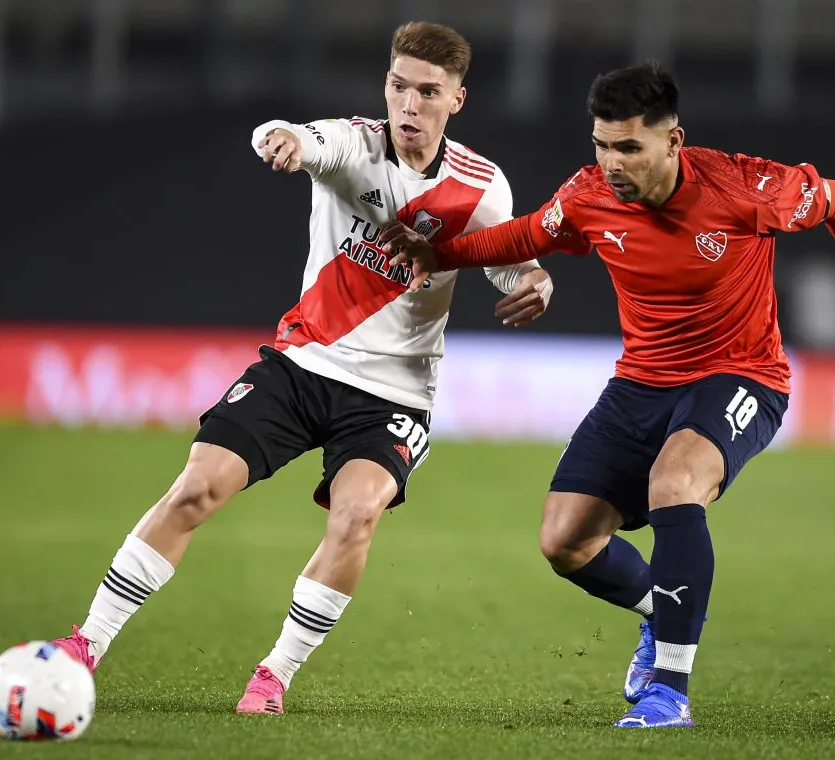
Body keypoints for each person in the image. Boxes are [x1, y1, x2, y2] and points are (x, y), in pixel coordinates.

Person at [379, 61, 835, 728]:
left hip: (740, 375)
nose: (613, 163)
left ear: (673, 142)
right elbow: (529, 232)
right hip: (640, 383)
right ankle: (668, 610)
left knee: (675, 480)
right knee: (564, 541)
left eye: (629, 147)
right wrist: (441, 254)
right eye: (601, 145)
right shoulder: (591, 194)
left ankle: (670, 693)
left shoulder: (745, 187)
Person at [49, 21, 552, 716]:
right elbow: (294, 134)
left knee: (356, 516)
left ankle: (273, 675)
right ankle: (86, 645)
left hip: (394, 393)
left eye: (427, 92)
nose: (409, 104)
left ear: (456, 101)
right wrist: (278, 139)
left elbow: (504, 259)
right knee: (196, 489)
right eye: (398, 86)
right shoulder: (353, 144)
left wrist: (534, 283)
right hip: (302, 363)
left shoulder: (481, 186)